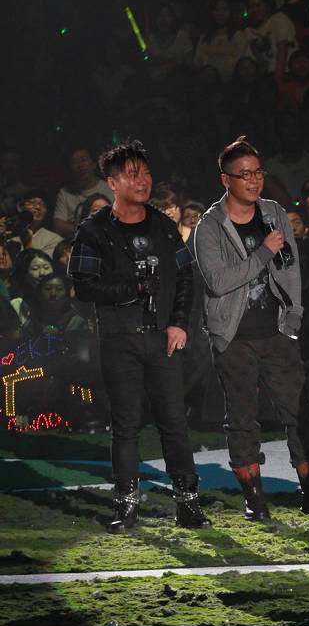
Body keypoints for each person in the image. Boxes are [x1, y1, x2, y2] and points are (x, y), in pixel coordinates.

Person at [190, 136, 309, 521]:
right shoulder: (209, 226)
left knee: (300, 412)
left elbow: (290, 267)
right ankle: (254, 498)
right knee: (242, 418)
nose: (253, 180)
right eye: (244, 174)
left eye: (258, 172)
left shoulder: (274, 212)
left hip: (277, 331)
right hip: (234, 338)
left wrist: (293, 315)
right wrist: (263, 251)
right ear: (226, 179)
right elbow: (218, 281)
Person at [67, 140, 209, 533]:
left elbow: (185, 277)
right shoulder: (93, 230)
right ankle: (126, 507)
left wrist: (179, 323)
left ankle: (188, 504)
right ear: (112, 182)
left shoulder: (163, 226)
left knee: (174, 422)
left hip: (163, 339)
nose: (142, 180)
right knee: (126, 425)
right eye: (132, 174)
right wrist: (130, 289)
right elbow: (83, 287)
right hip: (119, 340)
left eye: (145, 172)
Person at [52, 147, 114, 238]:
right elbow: (58, 226)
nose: (80, 165)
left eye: (84, 160)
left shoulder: (109, 189)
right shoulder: (65, 193)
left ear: (93, 164)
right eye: (75, 162)